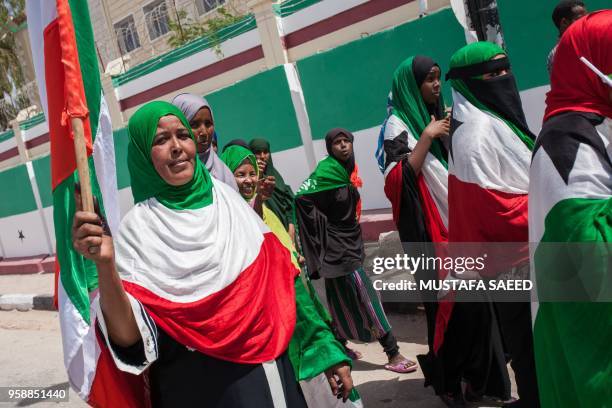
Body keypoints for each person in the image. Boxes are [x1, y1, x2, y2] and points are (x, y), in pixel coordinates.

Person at [71, 101, 308, 407]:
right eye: (160, 140)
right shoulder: (137, 231)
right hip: (198, 389)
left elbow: (282, 285)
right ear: (143, 155)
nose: (176, 147)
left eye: (182, 135)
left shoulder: (230, 202)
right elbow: (130, 339)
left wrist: (324, 349)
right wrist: (105, 266)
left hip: (273, 377)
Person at [221, 145, 363, 408]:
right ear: (225, 177)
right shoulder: (225, 227)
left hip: (293, 317)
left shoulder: (265, 216)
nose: (249, 180)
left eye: (252, 173)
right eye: (240, 174)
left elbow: (287, 272)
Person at [447, 41, 539, 407]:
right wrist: (557, 202)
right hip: (513, 260)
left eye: (505, 70)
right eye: (492, 74)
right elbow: (494, 210)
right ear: (471, 83)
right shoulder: (476, 134)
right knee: (529, 345)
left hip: (529, 251)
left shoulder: (491, 117)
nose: (503, 79)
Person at [530, 10, 612, 408]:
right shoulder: (565, 141)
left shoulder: (597, 122)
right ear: (594, 66)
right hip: (592, 337)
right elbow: (595, 259)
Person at [295, 128, 416, 374]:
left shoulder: (348, 169)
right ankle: (392, 352)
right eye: (337, 143)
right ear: (330, 148)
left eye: (346, 141)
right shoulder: (327, 171)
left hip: (350, 242)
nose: (342, 146)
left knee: (339, 298)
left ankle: (339, 344)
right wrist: (323, 228)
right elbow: (302, 197)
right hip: (337, 247)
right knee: (367, 295)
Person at [249, 138, 296, 238]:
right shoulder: (249, 180)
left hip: (286, 230)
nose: (262, 156)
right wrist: (258, 175)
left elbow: (287, 204)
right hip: (267, 231)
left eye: (265, 152)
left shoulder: (276, 176)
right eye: (258, 152)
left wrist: (291, 227)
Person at [547, 1, 587, 75]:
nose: (586, 22)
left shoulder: (590, 44)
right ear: (564, 22)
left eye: (587, 18)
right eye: (581, 19)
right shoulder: (556, 55)